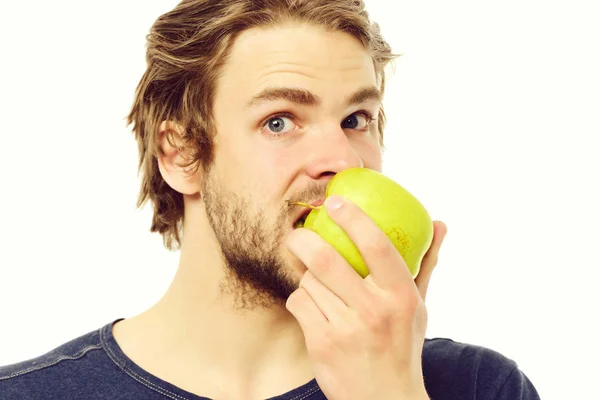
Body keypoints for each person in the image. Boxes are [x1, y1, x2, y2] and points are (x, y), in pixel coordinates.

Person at [0, 0, 541, 399]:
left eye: (356, 119)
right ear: (182, 154)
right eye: (278, 121)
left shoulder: (476, 387)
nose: (344, 161)